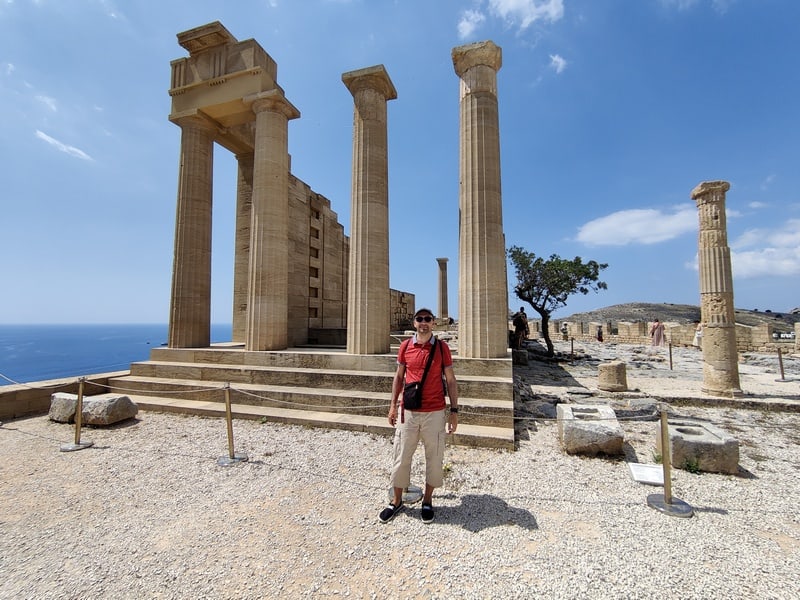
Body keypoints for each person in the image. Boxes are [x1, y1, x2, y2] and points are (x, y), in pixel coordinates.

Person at [379, 308, 459, 525]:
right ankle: (396, 501)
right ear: (414, 323)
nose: (423, 322)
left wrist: (454, 411)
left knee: (434, 458)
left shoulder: (442, 348)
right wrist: (392, 406)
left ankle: (427, 500)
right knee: (401, 456)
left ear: (433, 323)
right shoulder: (405, 346)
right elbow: (398, 376)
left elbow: (450, 380)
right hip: (409, 411)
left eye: (428, 319)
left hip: (434, 411)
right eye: (419, 319)